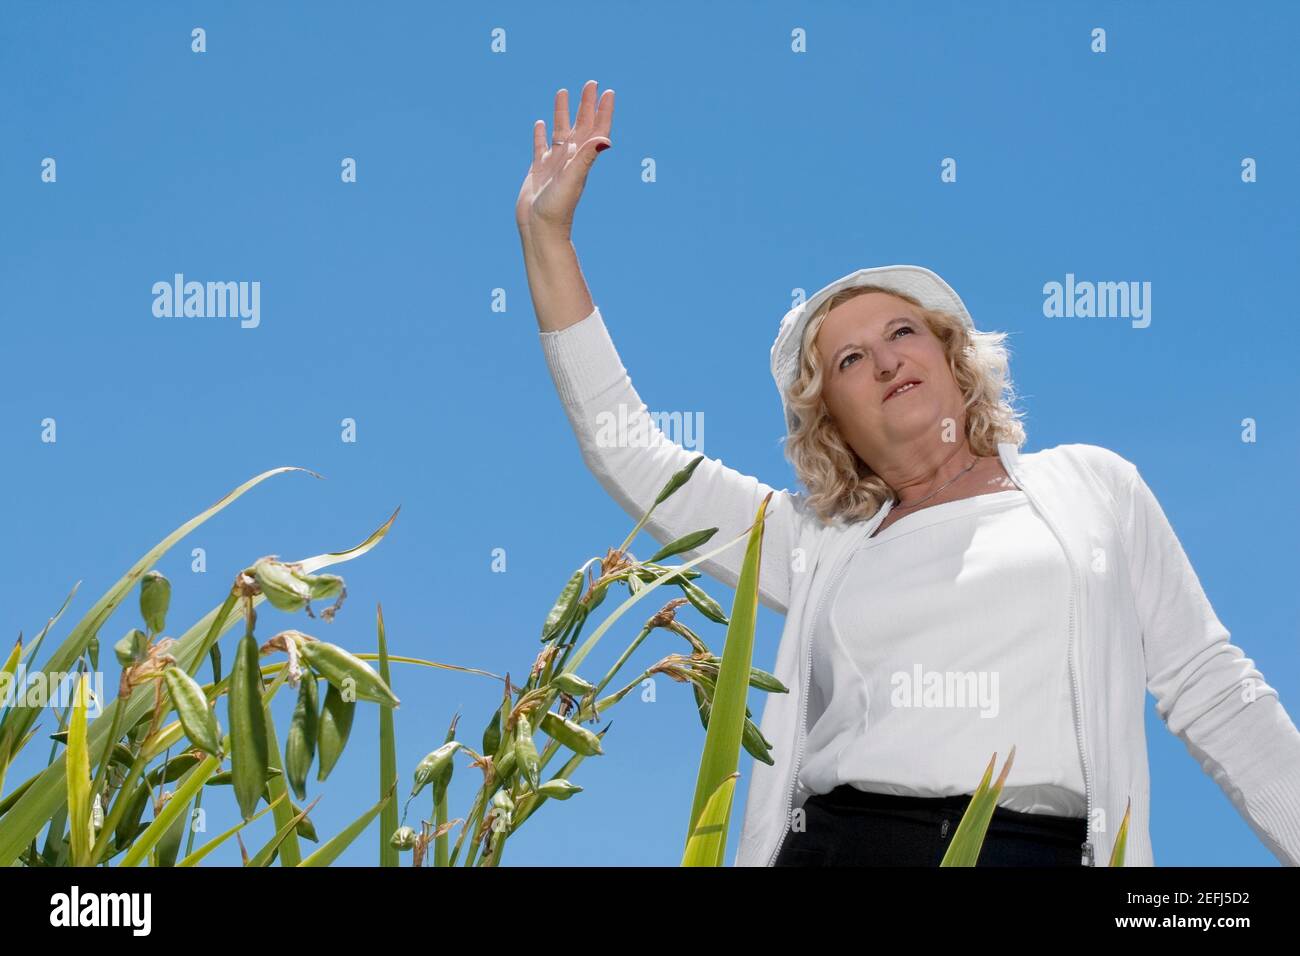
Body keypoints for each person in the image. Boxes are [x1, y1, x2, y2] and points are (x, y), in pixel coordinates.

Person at [516, 80, 1300, 867]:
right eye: (852, 359)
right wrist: (548, 237)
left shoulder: (1094, 487)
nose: (887, 358)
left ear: (957, 359)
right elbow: (636, 454)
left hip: (1035, 850)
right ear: (833, 421)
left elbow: (1212, 688)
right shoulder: (815, 540)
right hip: (843, 847)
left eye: (903, 331)